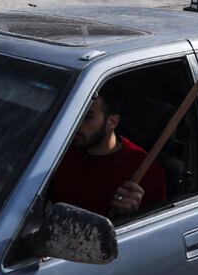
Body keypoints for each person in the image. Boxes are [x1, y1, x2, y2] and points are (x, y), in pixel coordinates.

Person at [50, 83, 166, 216]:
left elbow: (155, 229)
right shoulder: (55, 150)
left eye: (87, 116)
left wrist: (132, 215)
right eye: (74, 114)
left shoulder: (146, 169)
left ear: (112, 122)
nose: (76, 123)